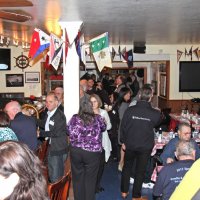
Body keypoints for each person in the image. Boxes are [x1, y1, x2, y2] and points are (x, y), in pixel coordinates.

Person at [120, 86, 161, 200]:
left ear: (139, 95)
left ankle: (124, 191)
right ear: (151, 97)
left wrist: (123, 141)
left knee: (127, 167)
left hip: (130, 144)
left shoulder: (130, 110)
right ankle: (136, 196)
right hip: (145, 146)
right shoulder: (155, 113)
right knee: (140, 171)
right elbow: (157, 123)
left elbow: (123, 127)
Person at [67, 99, 106, 200]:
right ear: (91, 107)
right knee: (90, 179)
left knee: (77, 178)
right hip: (92, 153)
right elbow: (104, 128)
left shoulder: (74, 118)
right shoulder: (98, 118)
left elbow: (67, 130)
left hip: (76, 151)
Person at [37, 93, 68, 183]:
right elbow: (45, 124)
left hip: (58, 148)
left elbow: (55, 132)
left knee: (55, 175)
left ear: (56, 103)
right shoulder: (50, 113)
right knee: (55, 173)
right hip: (53, 146)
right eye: (46, 101)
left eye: (50, 102)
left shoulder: (59, 115)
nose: (47, 104)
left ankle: (57, 194)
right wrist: (31, 119)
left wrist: (40, 133)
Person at [90, 94, 112, 193]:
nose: (93, 104)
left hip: (103, 141)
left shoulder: (103, 112)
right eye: (91, 101)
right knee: (92, 167)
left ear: (98, 102)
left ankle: (97, 185)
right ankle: (92, 186)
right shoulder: (87, 113)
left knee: (101, 166)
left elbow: (109, 126)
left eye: (95, 101)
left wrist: (104, 124)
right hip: (91, 144)